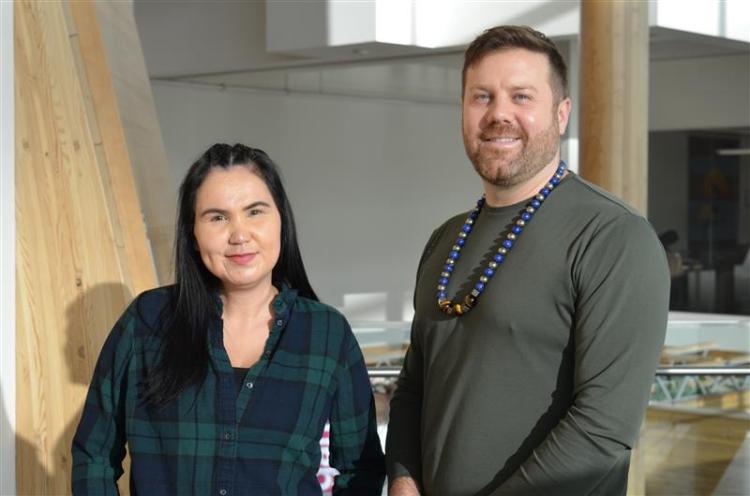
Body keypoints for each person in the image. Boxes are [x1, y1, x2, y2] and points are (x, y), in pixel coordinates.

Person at [386, 26, 669, 496]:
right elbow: (414, 386)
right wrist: (402, 480)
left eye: (521, 96)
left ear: (561, 114)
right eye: (482, 97)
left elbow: (603, 428)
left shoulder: (614, 237)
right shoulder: (446, 238)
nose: (499, 114)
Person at [72, 144, 385, 495]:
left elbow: (362, 467)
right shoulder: (147, 322)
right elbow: (93, 454)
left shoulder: (326, 334)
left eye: (255, 212)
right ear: (193, 233)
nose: (239, 235)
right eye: (217, 217)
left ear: (281, 221)